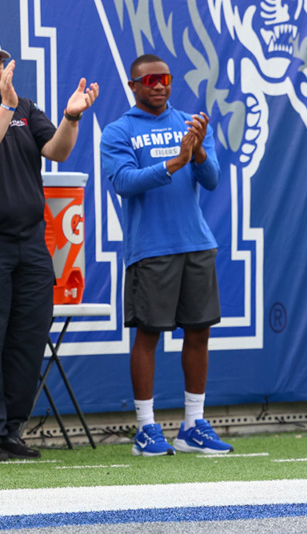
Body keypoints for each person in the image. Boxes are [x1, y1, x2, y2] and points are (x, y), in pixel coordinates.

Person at [0, 32, 99, 461]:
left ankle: (12, 429)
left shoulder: (25, 108)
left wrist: (71, 118)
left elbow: (57, 152)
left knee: (28, 340)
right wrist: (5, 108)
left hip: (29, 243)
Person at [100, 54, 232, 457]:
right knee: (148, 335)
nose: (158, 85)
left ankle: (193, 424)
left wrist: (199, 154)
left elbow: (211, 182)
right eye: (149, 79)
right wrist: (174, 161)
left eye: (165, 78)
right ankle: (145, 428)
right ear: (133, 86)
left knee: (199, 333)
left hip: (196, 244)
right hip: (150, 250)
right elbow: (123, 183)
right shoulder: (118, 131)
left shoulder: (189, 124)